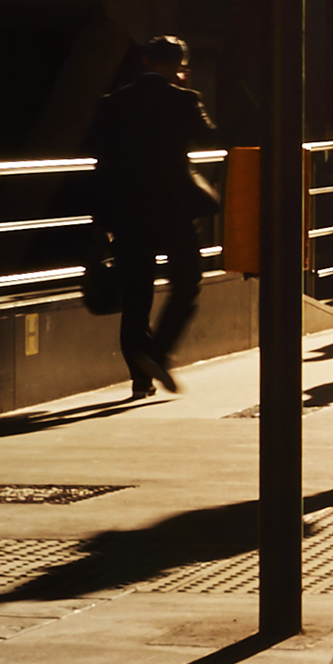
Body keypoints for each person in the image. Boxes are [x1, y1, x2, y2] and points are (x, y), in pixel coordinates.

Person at [81, 35, 219, 399]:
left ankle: (140, 377)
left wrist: (102, 215)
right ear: (180, 65)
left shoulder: (113, 102)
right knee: (187, 282)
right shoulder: (185, 100)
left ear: (145, 61)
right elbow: (209, 136)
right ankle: (158, 351)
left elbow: (95, 152)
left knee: (136, 294)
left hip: (126, 212)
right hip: (174, 208)